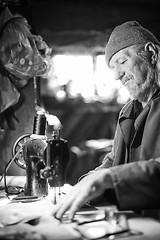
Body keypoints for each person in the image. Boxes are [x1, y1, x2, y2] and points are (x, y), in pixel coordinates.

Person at [53, 21, 160, 221]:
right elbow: (113, 159)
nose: (117, 75)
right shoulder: (128, 111)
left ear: (151, 54)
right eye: (112, 67)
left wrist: (110, 178)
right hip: (135, 220)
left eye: (122, 62)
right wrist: (89, 180)